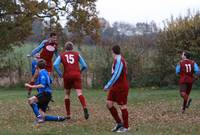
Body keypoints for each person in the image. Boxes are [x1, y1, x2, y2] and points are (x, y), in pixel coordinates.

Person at [53, 41, 89, 120]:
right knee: (79, 93)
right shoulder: (77, 54)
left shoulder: (62, 55)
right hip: (76, 75)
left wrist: (60, 74)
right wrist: (80, 71)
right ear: (72, 48)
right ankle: (84, 107)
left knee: (67, 94)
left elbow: (55, 65)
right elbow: (85, 65)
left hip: (67, 75)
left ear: (65, 48)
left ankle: (68, 114)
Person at [25, 59, 66, 123]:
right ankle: (59, 118)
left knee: (30, 100)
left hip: (45, 94)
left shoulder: (42, 73)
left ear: (37, 67)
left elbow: (42, 85)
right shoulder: (46, 72)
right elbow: (50, 81)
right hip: (48, 94)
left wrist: (30, 86)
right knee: (43, 115)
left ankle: (39, 118)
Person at [104, 45, 129, 133]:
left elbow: (116, 74)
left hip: (121, 86)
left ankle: (126, 127)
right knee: (109, 104)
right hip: (115, 86)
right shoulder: (118, 59)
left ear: (113, 51)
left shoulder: (119, 60)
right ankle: (119, 123)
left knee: (122, 106)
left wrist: (108, 85)